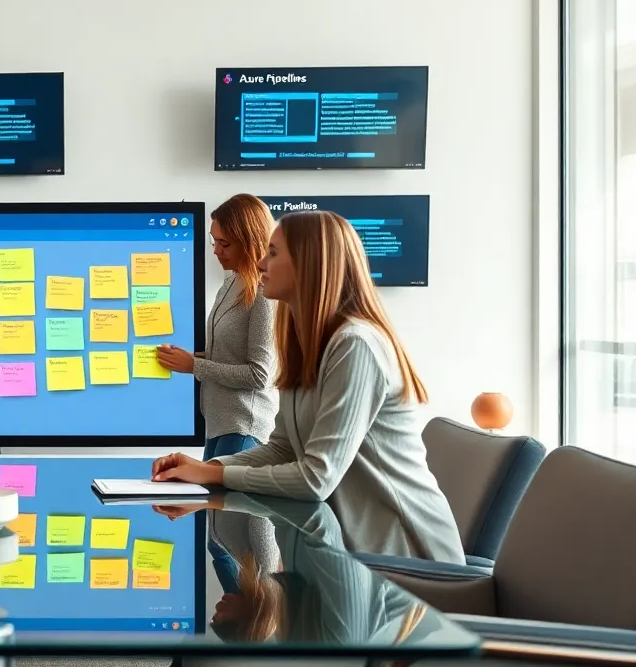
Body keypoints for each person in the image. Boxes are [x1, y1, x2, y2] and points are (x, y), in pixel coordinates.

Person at [151, 211, 464, 564]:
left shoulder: (355, 345)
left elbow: (316, 478)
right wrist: (204, 469)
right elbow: (283, 448)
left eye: (272, 252)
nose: (260, 260)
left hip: (404, 561)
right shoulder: (307, 345)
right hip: (347, 550)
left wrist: (215, 474)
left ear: (308, 265)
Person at [150, 193, 278, 667]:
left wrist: (194, 365)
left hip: (245, 430)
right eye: (214, 241)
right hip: (220, 428)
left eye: (223, 242)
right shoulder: (231, 285)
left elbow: (260, 374)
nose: (216, 250)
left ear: (247, 240)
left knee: (242, 548)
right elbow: (230, 354)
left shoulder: (264, 295)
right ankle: (221, 646)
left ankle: (247, 645)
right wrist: (193, 356)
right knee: (219, 542)